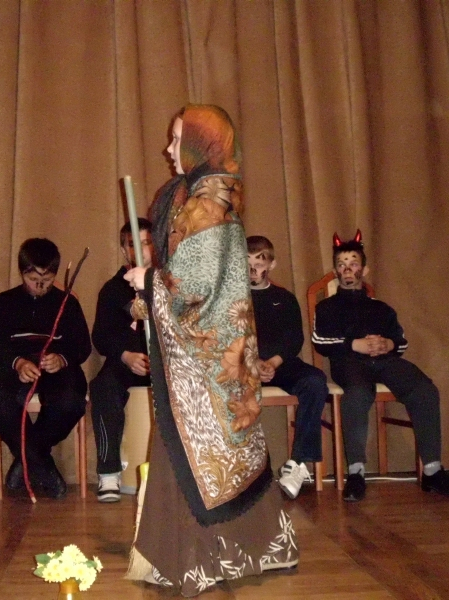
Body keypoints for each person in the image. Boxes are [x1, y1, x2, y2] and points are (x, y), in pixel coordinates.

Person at [123, 105, 298, 596]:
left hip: (204, 364)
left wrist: (148, 280)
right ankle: (258, 548)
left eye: (177, 139)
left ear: (202, 144)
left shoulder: (207, 207)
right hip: (211, 353)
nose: (169, 148)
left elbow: (195, 284)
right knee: (222, 453)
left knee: (192, 454)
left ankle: (197, 559)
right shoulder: (205, 199)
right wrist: (153, 288)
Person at [312, 230, 449, 502]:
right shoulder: (326, 307)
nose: (347, 269)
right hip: (349, 362)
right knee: (357, 394)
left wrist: (388, 344)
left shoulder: (382, 308)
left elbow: (401, 341)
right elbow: (320, 341)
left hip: (384, 362)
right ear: (336, 271)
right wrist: (354, 344)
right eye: (341, 264)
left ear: (364, 270)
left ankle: (432, 470)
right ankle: (356, 472)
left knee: (425, 390)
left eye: (353, 263)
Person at [0, 238, 91, 499]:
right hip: (16, 366)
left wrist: (61, 358)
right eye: (33, 279)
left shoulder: (67, 303)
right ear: (22, 272)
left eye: (47, 279)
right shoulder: (3, 302)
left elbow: (82, 346)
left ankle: (27, 460)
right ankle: (41, 464)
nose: (40, 286)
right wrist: (18, 362)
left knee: (71, 400)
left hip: (56, 368)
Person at [247, 235, 329, 499]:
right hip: (244, 366)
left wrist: (272, 362)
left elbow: (294, 339)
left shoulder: (284, 298)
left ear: (271, 265)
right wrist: (253, 362)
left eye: (259, 264)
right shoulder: (233, 298)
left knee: (314, 381)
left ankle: (298, 464)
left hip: (280, 364)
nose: (253, 270)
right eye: (247, 263)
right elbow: (227, 339)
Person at [90, 218, 154, 503]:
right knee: (103, 386)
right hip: (125, 363)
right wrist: (126, 356)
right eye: (132, 244)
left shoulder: (169, 284)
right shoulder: (112, 289)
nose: (139, 250)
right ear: (123, 249)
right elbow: (101, 336)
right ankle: (109, 472)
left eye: (146, 243)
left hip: (166, 365)